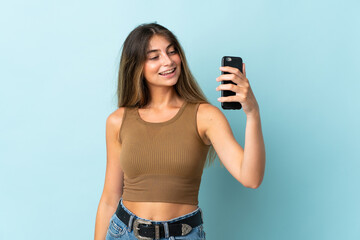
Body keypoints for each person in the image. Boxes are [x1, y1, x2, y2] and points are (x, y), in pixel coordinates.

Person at [94, 23, 265, 240]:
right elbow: (110, 198)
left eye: (172, 51)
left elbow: (251, 178)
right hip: (124, 232)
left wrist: (253, 112)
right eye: (154, 56)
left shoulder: (205, 116)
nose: (168, 61)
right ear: (136, 66)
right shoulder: (118, 121)